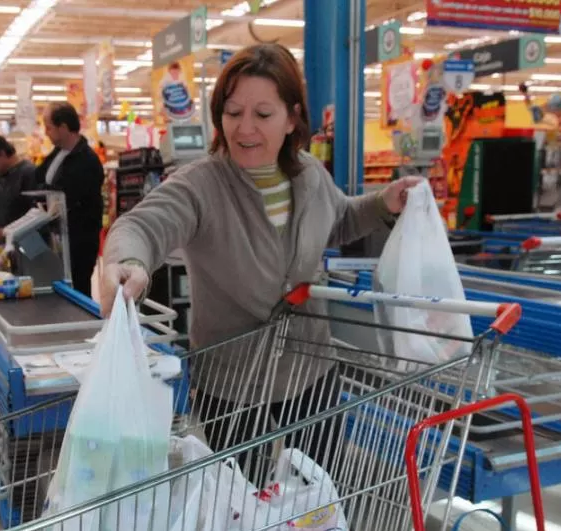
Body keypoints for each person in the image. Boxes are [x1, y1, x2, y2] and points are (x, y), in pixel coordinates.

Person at [101, 44, 419, 473]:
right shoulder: (200, 185)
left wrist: (383, 203)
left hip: (311, 368)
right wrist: (128, 261)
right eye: (233, 113)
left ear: (291, 118)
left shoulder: (310, 175)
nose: (244, 128)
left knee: (322, 495)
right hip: (232, 380)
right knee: (246, 508)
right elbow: (143, 225)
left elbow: (339, 219)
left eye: (262, 115)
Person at [35, 102, 105, 297]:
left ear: (63, 127)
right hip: (57, 237)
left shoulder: (87, 160)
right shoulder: (57, 154)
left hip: (78, 240)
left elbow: (72, 195)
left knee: (79, 287)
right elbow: (40, 179)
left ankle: (84, 326)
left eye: (49, 127)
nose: (46, 132)